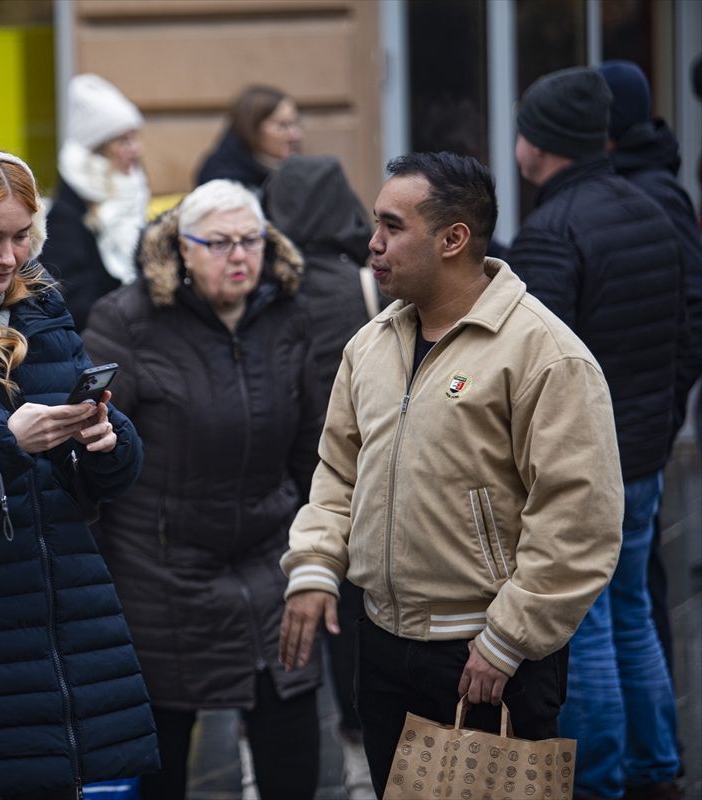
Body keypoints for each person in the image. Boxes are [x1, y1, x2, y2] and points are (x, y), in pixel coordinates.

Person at [278, 152, 624, 796]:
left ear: (453, 238)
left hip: (487, 658)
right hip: (380, 644)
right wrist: (316, 566)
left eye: (391, 226)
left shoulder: (545, 354)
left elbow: (580, 521)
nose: (372, 244)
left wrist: (507, 639)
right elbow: (337, 473)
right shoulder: (371, 344)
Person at [0, 146, 157, 798]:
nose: (9, 257)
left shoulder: (45, 311)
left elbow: (112, 475)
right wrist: (5, 444)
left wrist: (107, 438)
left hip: (73, 602)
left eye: (21, 238)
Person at [83, 179, 322, 800]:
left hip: (269, 559)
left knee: (291, 731)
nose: (238, 255)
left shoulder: (290, 316)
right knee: (161, 750)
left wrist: (319, 560)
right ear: (180, 249)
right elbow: (89, 459)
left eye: (251, 241)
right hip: (157, 570)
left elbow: (317, 454)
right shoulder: (127, 321)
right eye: (218, 243)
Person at [508, 67, 685, 800]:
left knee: (587, 625)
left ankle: (600, 780)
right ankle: (657, 768)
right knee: (633, 610)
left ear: (539, 144)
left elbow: (532, 370)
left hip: (587, 463)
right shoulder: (649, 208)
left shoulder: (551, 232)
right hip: (643, 452)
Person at [262, 155, 376, 800]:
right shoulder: (373, 288)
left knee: (286, 629)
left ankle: (265, 769)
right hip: (356, 489)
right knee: (353, 629)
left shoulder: (267, 292)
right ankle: (361, 769)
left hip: (279, 490)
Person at [598, 59, 702, 717]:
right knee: (633, 594)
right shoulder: (639, 182)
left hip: (631, 432)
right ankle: (650, 759)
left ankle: (638, 762)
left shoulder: (650, 193)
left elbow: (690, 317)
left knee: (630, 599)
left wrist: (660, 414)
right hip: (634, 425)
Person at [41, 73, 149, 329]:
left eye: (135, 138)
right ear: (97, 149)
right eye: (124, 140)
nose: (136, 150)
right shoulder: (66, 218)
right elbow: (75, 306)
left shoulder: (130, 197)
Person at [195, 85, 301, 198]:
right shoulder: (221, 179)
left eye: (296, 123)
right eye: (282, 126)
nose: (295, 135)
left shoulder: (295, 172)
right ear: (252, 129)